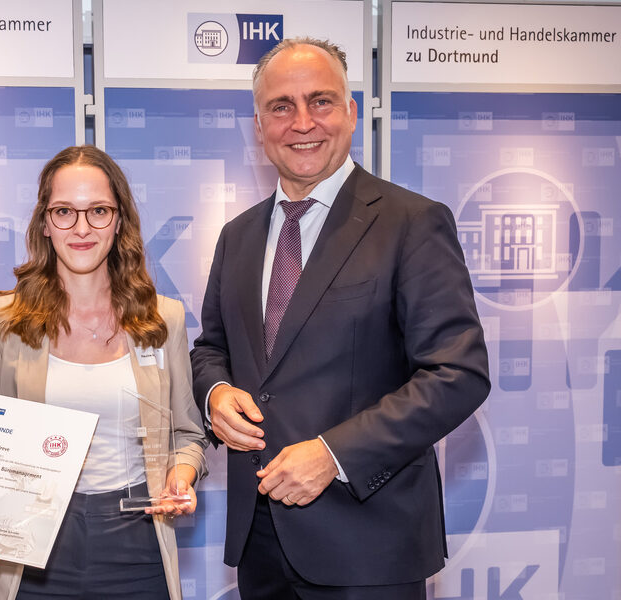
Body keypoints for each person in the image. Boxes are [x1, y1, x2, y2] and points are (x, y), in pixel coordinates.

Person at [190, 37, 490, 599]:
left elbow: (458, 374)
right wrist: (215, 394)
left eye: (321, 101)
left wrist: (334, 454)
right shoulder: (238, 237)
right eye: (282, 106)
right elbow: (211, 348)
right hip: (260, 542)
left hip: (370, 545)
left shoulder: (412, 222)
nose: (302, 122)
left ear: (352, 114)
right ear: (260, 127)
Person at [0, 145, 208, 599]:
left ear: (119, 221)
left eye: (98, 211)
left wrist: (181, 476)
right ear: (44, 222)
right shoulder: (0, 320)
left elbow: (187, 435)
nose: (81, 228)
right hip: (30, 546)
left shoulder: (164, 319)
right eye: (64, 211)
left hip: (139, 541)